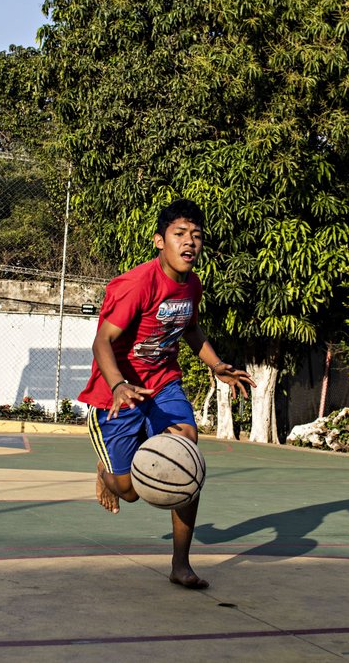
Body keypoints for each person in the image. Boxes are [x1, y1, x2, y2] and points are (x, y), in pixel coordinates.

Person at [79, 197, 254, 589]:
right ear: (160, 241)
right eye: (179, 234)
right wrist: (119, 384)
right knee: (130, 493)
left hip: (163, 384)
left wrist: (216, 364)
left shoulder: (192, 284)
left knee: (187, 451)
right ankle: (108, 474)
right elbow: (102, 342)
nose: (189, 242)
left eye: (196, 235)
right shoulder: (135, 285)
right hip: (117, 395)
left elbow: (190, 328)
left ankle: (180, 564)